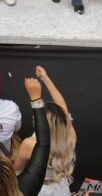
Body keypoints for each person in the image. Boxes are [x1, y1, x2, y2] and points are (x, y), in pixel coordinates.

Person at [14, 66, 76, 196]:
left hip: (38, 190)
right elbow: (63, 109)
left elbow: (16, 172)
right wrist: (45, 79)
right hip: (60, 188)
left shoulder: (30, 144)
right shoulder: (70, 138)